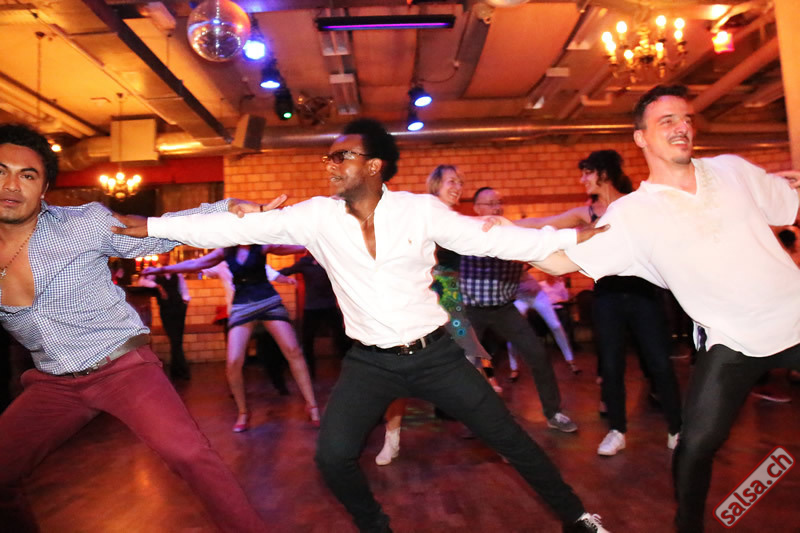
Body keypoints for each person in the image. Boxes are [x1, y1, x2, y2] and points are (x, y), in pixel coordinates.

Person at [112, 118, 611, 533]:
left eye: (341, 156)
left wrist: (572, 239)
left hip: (436, 356)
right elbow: (232, 227)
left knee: (511, 440)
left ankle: (578, 518)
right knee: (332, 458)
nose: (329, 165)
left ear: (373, 165)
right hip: (370, 363)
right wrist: (154, 227)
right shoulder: (316, 217)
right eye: (328, 157)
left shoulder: (419, 211)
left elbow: (492, 240)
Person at [529, 85, 800, 532]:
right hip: (732, 341)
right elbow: (560, 261)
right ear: (641, 137)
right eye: (667, 121)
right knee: (694, 447)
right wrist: (501, 240)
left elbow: (788, 200)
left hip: (794, 315)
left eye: (686, 119)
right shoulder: (634, 213)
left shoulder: (731, 169)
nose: (682, 127)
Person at [0, 123, 266, 533]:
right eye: (1, 171)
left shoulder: (82, 224)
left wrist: (228, 209)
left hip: (121, 369)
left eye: (27, 175)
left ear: (45, 187)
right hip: (52, 383)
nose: (12, 185)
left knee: (190, 455)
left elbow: (157, 231)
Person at [517, 149, 683, 456]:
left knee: (659, 363)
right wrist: (503, 223)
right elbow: (544, 221)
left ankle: (677, 429)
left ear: (604, 173)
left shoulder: (635, 205)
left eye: (587, 173)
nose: (582, 179)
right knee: (610, 364)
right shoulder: (587, 213)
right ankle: (617, 431)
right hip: (607, 297)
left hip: (643, 294)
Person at [373, 164, 498, 466]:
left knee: (472, 362)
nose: (458, 187)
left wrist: (491, 223)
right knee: (398, 369)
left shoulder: (456, 220)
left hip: (450, 298)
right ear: (435, 185)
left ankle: (500, 436)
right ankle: (392, 439)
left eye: (461, 182)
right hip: (419, 298)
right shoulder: (421, 215)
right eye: (451, 181)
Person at [142, 244, 319, 432]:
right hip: (241, 305)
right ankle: (243, 412)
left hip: (268, 301)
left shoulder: (260, 246)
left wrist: (315, 240)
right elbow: (196, 264)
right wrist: (161, 270)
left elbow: (290, 247)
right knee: (233, 361)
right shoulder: (225, 252)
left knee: (293, 350)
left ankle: (312, 406)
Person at [461, 187, 578, 433]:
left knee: (538, 354)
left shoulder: (513, 235)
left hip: (504, 309)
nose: (496, 207)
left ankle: (553, 413)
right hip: (472, 310)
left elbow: (538, 242)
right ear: (477, 208)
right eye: (489, 203)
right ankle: (474, 419)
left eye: (498, 202)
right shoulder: (464, 234)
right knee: (467, 364)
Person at [279, 251, 350, 378]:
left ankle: (347, 368)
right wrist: (268, 272)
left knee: (341, 338)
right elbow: (285, 271)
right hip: (312, 307)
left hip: (329, 305)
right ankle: (310, 372)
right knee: (307, 340)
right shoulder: (305, 263)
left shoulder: (329, 261)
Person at [137, 252, 192, 380]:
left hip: (179, 307)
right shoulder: (154, 271)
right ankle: (181, 370)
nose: (165, 257)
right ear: (159, 256)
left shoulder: (175, 270)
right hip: (166, 309)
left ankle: (178, 370)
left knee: (178, 339)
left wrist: (185, 301)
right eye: (163, 255)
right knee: (174, 338)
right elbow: (142, 282)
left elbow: (183, 288)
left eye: (167, 255)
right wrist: (157, 285)